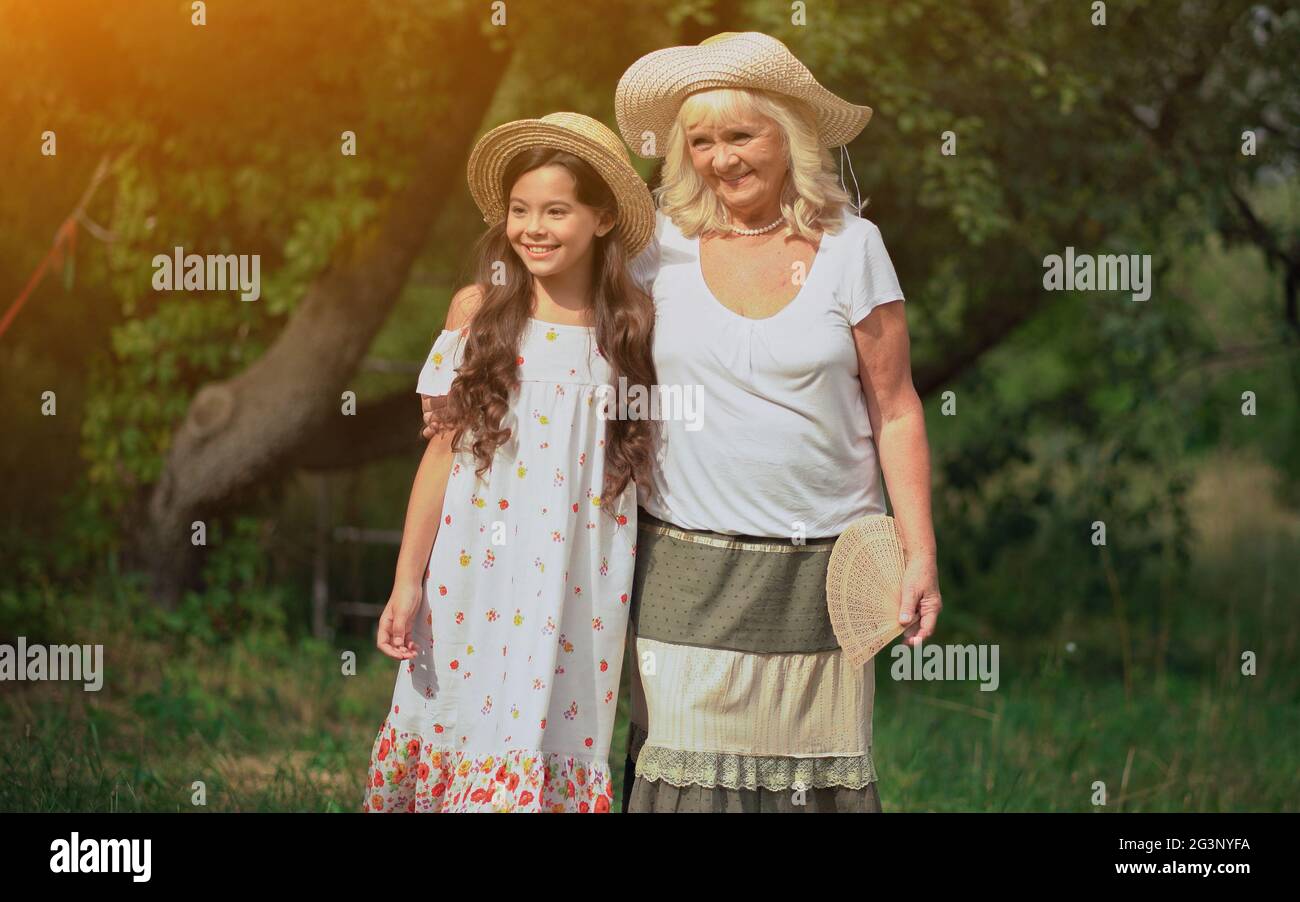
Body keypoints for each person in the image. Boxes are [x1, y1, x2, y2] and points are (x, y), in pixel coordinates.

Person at [608, 32, 944, 812]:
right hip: (682, 572)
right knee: (682, 785)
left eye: (739, 135)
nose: (720, 158)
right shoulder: (655, 250)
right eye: (700, 141)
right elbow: (562, 315)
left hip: (824, 574)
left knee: (808, 790)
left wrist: (919, 553)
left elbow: (896, 409)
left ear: (787, 138)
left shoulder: (853, 249)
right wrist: (466, 340)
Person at [363, 112, 657, 813]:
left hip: (580, 579)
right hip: (475, 566)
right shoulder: (480, 310)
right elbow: (443, 455)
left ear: (603, 217)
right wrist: (407, 581)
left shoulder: (631, 326)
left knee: (555, 726)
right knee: (463, 716)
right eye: (521, 210)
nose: (534, 227)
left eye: (557, 210)